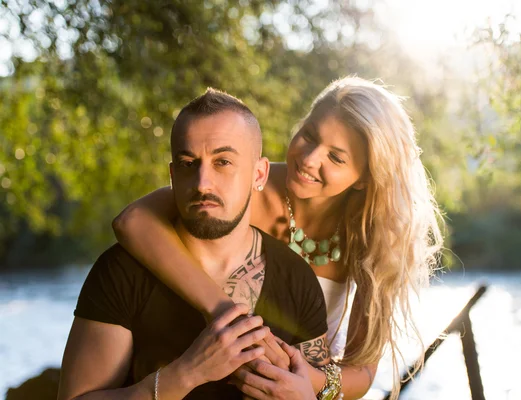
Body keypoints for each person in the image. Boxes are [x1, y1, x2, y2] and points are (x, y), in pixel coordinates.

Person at [113, 77, 444, 399]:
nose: (310, 158)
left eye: (336, 157)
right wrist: (224, 312)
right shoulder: (245, 188)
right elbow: (133, 221)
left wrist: (300, 378)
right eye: (310, 135)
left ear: (364, 177)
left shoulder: (370, 237)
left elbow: (363, 372)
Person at [58, 89, 331, 400]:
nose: (202, 183)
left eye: (223, 162)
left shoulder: (297, 277)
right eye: (188, 163)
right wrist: (185, 374)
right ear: (173, 175)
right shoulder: (121, 271)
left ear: (259, 174)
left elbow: (320, 384)